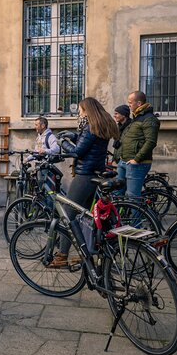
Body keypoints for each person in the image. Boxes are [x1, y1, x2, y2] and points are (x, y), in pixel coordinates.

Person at [49, 97, 119, 267]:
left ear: (87, 110)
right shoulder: (99, 125)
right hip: (95, 174)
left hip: (85, 176)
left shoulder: (89, 126)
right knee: (85, 217)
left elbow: (79, 151)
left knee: (68, 214)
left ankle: (62, 256)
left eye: (80, 110)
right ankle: (85, 254)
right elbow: (88, 141)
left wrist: (63, 143)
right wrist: (73, 135)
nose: (78, 113)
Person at [117, 91, 160, 198]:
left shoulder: (149, 118)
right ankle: (121, 215)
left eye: (130, 102)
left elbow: (151, 142)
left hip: (137, 164)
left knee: (133, 197)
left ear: (139, 103)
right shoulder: (136, 117)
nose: (129, 105)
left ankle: (137, 215)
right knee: (117, 194)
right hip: (124, 161)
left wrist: (136, 159)